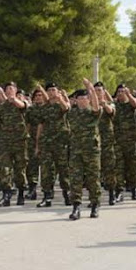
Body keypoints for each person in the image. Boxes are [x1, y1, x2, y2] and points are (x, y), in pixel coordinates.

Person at [67, 79, 102, 220]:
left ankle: (95, 204)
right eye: (79, 98)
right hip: (76, 151)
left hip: (91, 151)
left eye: (84, 98)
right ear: (76, 100)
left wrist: (91, 89)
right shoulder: (72, 114)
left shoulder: (93, 113)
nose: (82, 100)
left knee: (93, 179)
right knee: (75, 179)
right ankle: (76, 206)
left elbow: (96, 106)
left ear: (88, 100)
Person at [36, 82, 71, 207]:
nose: (51, 92)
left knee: (63, 169)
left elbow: (66, 108)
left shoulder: (61, 105)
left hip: (60, 143)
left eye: (53, 90)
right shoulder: (44, 108)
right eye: (49, 90)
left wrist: (60, 98)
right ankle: (47, 196)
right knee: (46, 171)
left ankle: (67, 194)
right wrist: (37, 144)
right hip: (46, 143)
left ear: (57, 91)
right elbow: (40, 125)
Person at [0, 82, 28, 207]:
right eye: (7, 88)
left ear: (15, 90)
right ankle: (6, 194)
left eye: (11, 88)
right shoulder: (2, 107)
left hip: (19, 141)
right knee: (5, 169)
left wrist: (13, 99)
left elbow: (22, 106)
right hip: (5, 141)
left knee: (20, 169)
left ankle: (21, 192)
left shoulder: (21, 102)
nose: (8, 90)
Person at [113, 84, 136, 201]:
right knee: (119, 167)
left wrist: (129, 94)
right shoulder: (115, 105)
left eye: (122, 91)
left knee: (132, 166)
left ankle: (135, 188)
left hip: (130, 140)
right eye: (118, 91)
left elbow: (135, 103)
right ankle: (119, 190)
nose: (120, 93)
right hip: (118, 140)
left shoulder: (130, 104)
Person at [94, 82, 117, 205]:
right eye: (95, 90)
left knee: (109, 169)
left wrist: (104, 104)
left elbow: (111, 111)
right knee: (95, 171)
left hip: (107, 141)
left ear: (103, 92)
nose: (97, 92)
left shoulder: (109, 104)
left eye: (100, 90)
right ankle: (95, 198)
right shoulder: (91, 105)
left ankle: (112, 194)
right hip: (93, 142)